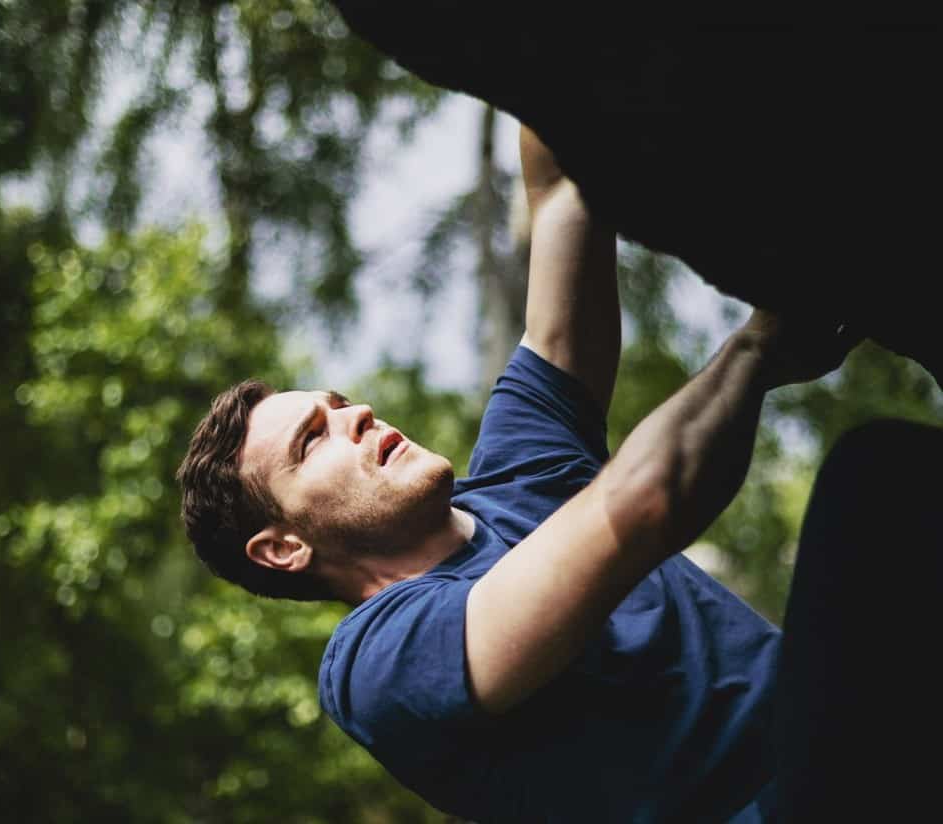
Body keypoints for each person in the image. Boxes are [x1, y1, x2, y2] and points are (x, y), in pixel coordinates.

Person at [176, 125, 865, 822]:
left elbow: (562, 188)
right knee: (873, 483)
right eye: (314, 440)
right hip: (791, 801)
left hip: (855, 744)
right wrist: (758, 347)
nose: (356, 416)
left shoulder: (519, 469)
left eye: (341, 404)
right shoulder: (378, 659)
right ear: (283, 546)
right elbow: (647, 504)